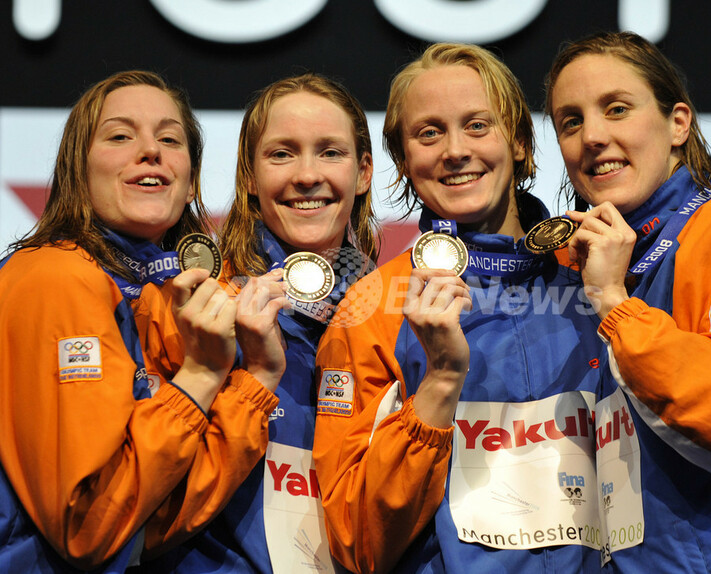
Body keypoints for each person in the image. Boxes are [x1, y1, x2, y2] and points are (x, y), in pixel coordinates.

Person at [313, 43, 608, 573]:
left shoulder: (596, 271)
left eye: (477, 125)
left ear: (520, 141)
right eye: (429, 133)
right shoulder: (372, 309)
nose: (454, 150)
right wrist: (440, 385)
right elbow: (357, 540)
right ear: (403, 161)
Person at [544, 31, 711, 572]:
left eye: (617, 109)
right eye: (571, 122)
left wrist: (616, 305)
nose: (592, 136)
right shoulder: (602, 264)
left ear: (678, 124)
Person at [0, 70, 283, 572]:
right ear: (77, 169)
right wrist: (202, 374)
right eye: (119, 136)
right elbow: (91, 525)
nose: (151, 151)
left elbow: (155, 516)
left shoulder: (160, 294)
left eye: (170, 140)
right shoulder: (57, 278)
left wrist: (256, 378)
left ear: (190, 180)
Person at [140, 73, 378, 573]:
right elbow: (146, 513)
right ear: (249, 176)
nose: (307, 175)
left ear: (363, 173)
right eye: (282, 154)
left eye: (330, 152)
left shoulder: (394, 317)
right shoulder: (194, 311)